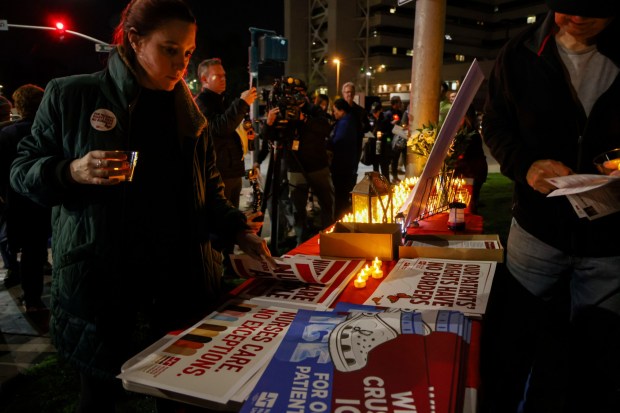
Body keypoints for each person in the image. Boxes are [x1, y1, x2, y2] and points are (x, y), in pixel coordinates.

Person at [10, 0, 275, 411]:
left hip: (181, 285)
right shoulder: (72, 95)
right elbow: (21, 171)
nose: (182, 64)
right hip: (102, 286)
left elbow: (210, 197)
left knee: (183, 398)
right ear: (134, 40)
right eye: (170, 49)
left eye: (187, 53)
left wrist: (239, 230)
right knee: (102, 400)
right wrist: (71, 171)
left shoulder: (192, 117)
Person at [482, 1, 620, 412]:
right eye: (566, 6)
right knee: (515, 336)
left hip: (609, 239)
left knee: (598, 352)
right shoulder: (521, 52)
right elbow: (495, 123)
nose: (578, 16)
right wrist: (525, 166)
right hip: (536, 229)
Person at [0, 84, 51, 312]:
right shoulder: (51, 129)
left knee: (29, 250)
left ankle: (32, 299)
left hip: (19, 200)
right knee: (44, 248)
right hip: (48, 199)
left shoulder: (8, 134)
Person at [264, 90, 335, 246]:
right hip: (295, 166)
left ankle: (328, 239)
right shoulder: (282, 111)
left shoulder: (314, 110)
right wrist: (269, 123)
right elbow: (270, 137)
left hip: (317, 165)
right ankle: (300, 240)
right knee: (298, 207)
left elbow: (326, 129)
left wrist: (304, 119)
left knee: (326, 203)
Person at [194, 57, 257, 208]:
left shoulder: (221, 100)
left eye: (224, 75)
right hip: (220, 173)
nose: (223, 79)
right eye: (218, 76)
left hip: (232, 170)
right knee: (222, 221)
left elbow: (228, 129)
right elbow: (219, 128)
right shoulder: (201, 103)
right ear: (204, 79)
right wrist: (242, 103)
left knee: (232, 218)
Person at [452, 105, 487, 214]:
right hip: (471, 171)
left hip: (471, 172)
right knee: (469, 201)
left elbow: (464, 155)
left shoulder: (470, 134)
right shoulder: (466, 131)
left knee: (469, 203)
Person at [328, 98, 359, 219]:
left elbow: (338, 141)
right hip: (347, 165)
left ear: (342, 111)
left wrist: (329, 144)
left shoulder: (345, 123)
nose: (334, 113)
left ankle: (339, 219)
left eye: (335, 111)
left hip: (342, 165)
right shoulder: (349, 120)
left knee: (340, 195)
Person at [341, 82, 370, 175]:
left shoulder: (360, 111)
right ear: (343, 93)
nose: (349, 94)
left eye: (351, 92)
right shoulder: (338, 109)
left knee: (352, 172)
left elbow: (367, 127)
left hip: (355, 146)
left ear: (354, 94)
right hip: (340, 145)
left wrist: (361, 126)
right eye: (347, 92)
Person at [368, 101, 392, 180]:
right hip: (374, 145)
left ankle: (386, 184)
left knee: (384, 167)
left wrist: (383, 135)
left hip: (383, 146)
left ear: (380, 110)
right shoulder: (371, 118)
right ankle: (377, 185)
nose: (374, 114)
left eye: (376, 112)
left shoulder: (385, 119)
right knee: (375, 167)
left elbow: (390, 133)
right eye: (373, 112)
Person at [384, 95, 405, 183]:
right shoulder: (388, 113)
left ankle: (395, 176)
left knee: (396, 158)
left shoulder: (400, 112)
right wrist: (392, 123)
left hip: (398, 139)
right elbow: (385, 125)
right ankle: (386, 178)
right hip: (390, 139)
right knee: (389, 159)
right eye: (399, 102)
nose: (401, 104)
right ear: (395, 103)